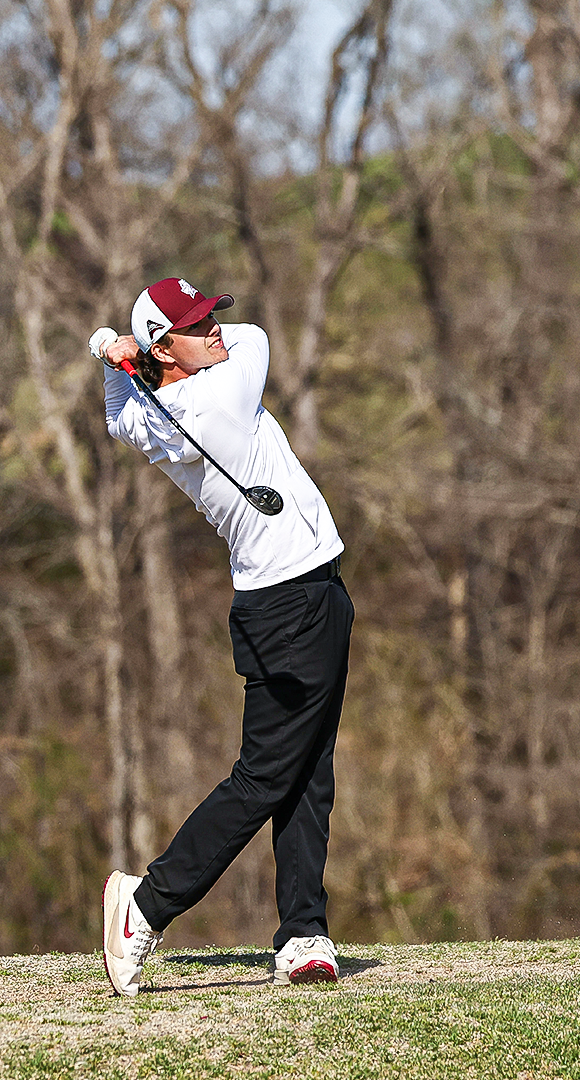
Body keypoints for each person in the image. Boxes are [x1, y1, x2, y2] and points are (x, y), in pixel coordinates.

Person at [96, 276, 353, 996]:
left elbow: (121, 418)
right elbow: (257, 338)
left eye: (211, 316)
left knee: (306, 770)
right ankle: (146, 907)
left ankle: (304, 932)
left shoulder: (157, 410)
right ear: (163, 346)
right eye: (195, 324)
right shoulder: (218, 395)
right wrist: (134, 358)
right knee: (267, 776)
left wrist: (128, 366)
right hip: (292, 603)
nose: (214, 329)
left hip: (302, 596)